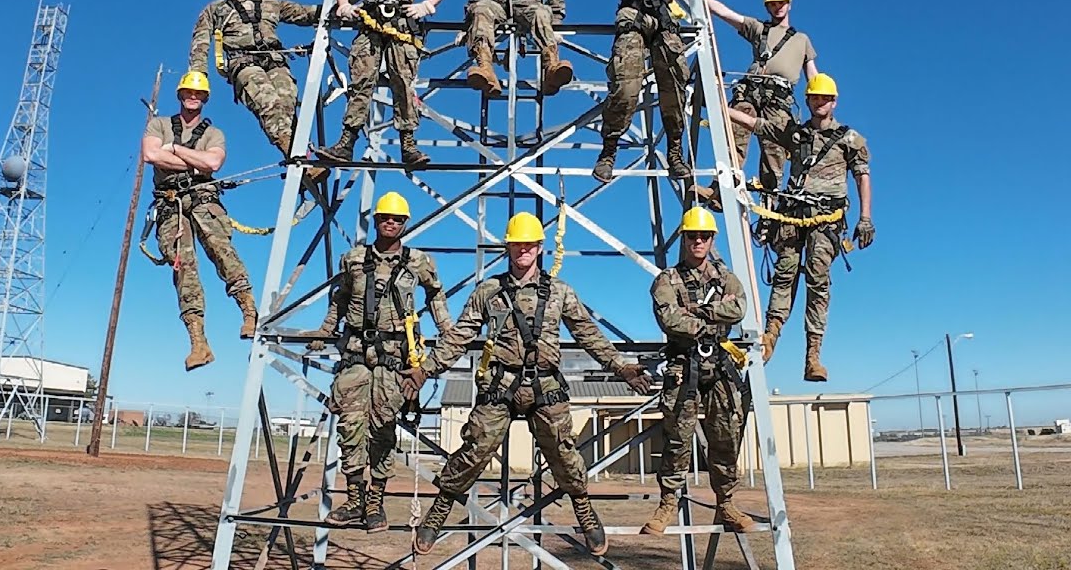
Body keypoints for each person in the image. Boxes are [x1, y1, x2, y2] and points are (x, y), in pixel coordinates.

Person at [401, 212, 652, 557]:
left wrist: (621, 368)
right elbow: (460, 336)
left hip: (545, 385)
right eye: (517, 244)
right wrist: (426, 370)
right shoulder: (488, 291)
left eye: (529, 244)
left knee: (564, 452)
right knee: (475, 449)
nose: (523, 250)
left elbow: (588, 334)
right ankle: (439, 510)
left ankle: (583, 509)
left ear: (539, 248)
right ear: (508, 247)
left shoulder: (560, 292)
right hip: (500, 384)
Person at [319, 191, 455, 532]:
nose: (390, 223)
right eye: (384, 218)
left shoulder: (419, 262)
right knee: (350, 428)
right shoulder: (353, 259)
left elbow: (435, 294)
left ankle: (376, 503)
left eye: (396, 219)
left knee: (382, 430)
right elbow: (341, 297)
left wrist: (447, 330)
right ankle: (354, 500)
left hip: (394, 359)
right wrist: (325, 328)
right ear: (376, 221)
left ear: (405, 224)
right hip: (354, 355)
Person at [725, 73, 873, 381]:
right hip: (793, 215)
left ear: (834, 102)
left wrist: (865, 218)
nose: (820, 103)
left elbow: (862, 176)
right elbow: (757, 126)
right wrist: (721, 107)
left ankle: (813, 357)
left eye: (826, 99)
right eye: (815, 98)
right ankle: (770, 339)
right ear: (808, 101)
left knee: (818, 278)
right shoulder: (795, 134)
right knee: (784, 275)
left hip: (827, 219)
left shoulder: (850, 139)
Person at [642, 207, 758, 534]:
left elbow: (738, 308)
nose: (698, 241)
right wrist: (708, 321)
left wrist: (697, 310)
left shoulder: (726, 277)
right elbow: (670, 318)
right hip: (683, 366)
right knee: (678, 438)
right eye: (692, 236)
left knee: (726, 437)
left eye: (703, 236)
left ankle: (726, 504)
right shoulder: (667, 280)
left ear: (711, 240)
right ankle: (667, 504)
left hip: (719, 367)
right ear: (684, 238)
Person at [316, 0, 447, 166]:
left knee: (403, 83)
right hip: (371, 26)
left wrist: (426, 5)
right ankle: (346, 143)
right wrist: (344, 5)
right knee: (361, 82)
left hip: (402, 28)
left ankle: (408, 146)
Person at [141, 72, 256, 371]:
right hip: (170, 204)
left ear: (205, 98)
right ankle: (199, 343)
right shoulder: (159, 124)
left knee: (222, 251)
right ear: (180, 95)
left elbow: (214, 163)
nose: (193, 97)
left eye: (199, 93)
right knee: (183, 269)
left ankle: (249, 314)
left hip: (204, 199)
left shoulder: (213, 133)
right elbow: (150, 155)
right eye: (188, 92)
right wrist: (196, 162)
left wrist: (176, 150)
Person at [187, 0, 323, 180]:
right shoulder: (217, 9)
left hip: (275, 60)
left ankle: (299, 159)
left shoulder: (271, 3)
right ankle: (300, 161)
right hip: (244, 63)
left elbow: (305, 13)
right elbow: (200, 42)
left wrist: (341, 6)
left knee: (288, 101)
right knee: (268, 103)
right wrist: (198, 78)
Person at [593, 0, 691, 183]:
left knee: (674, 85)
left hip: (663, 22)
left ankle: (675, 151)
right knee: (625, 88)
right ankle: (609, 149)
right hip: (632, 20)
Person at [693, 0, 818, 206]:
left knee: (774, 154)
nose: (777, 8)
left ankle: (769, 207)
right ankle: (719, 190)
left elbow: (813, 77)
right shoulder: (759, 28)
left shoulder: (802, 40)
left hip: (778, 100)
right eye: (773, 4)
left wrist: (819, 108)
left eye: (781, 3)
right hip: (751, 92)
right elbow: (725, 13)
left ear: (789, 5)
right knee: (735, 137)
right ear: (767, 7)